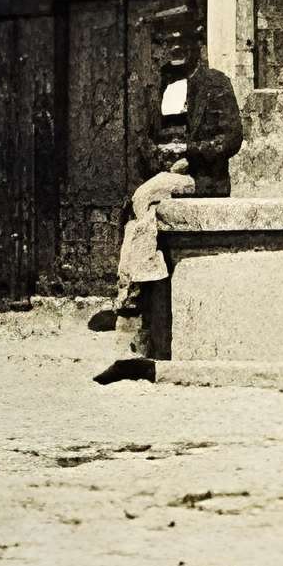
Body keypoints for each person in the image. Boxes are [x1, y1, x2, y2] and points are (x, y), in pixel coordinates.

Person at [93, 46, 242, 383]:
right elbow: (145, 139)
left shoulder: (216, 83)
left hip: (202, 179)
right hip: (163, 177)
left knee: (144, 199)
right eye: (167, 42)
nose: (175, 50)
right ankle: (136, 329)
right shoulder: (156, 87)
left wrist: (191, 154)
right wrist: (158, 158)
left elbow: (232, 138)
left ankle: (127, 300)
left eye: (182, 39)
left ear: (197, 43)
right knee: (137, 220)